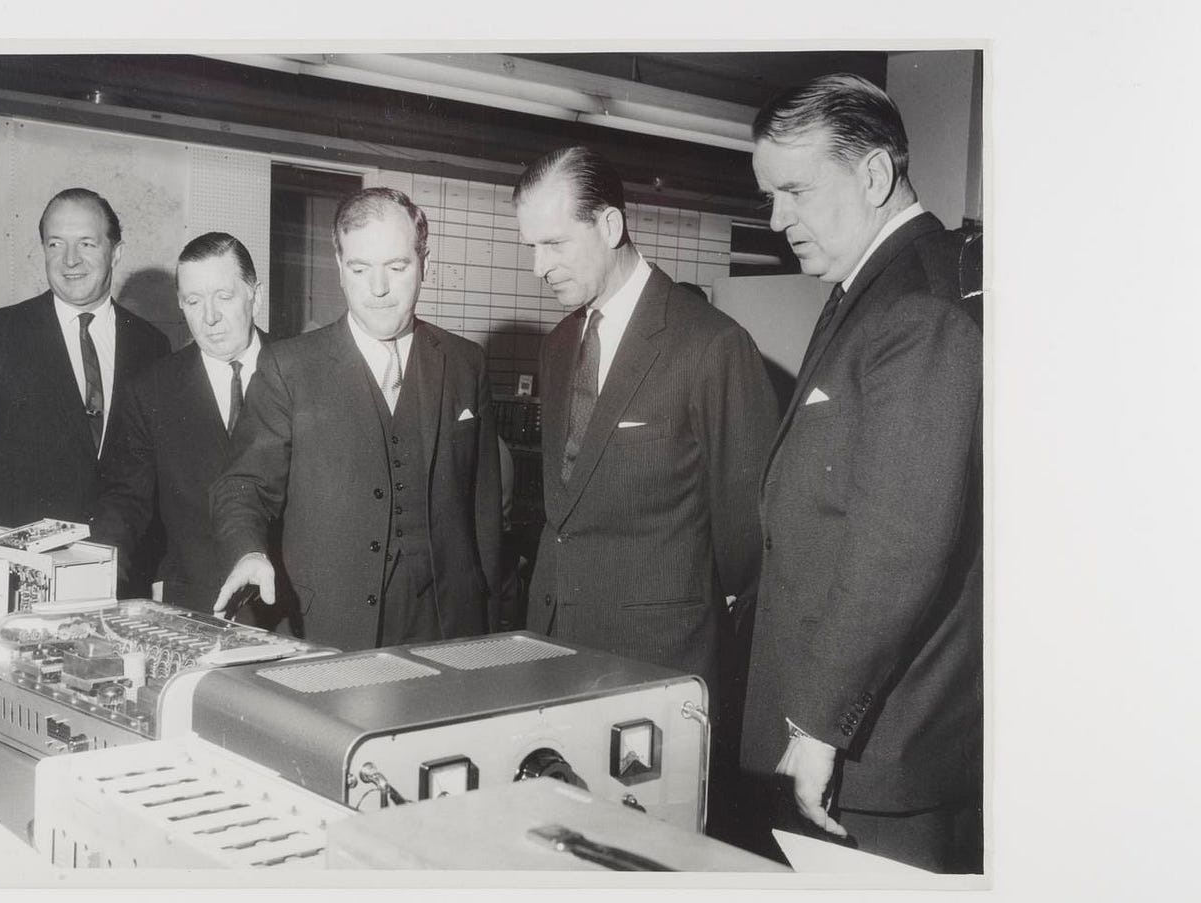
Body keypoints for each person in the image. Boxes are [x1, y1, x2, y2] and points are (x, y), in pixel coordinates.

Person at [739, 74, 983, 872]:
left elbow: (899, 547)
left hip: (875, 756)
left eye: (796, 191)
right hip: (849, 739)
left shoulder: (919, 306)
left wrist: (814, 727)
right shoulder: (868, 292)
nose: (777, 220)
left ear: (874, 175)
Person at [513, 146, 778, 684]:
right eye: (532, 247)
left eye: (555, 244)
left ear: (610, 225)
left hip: (656, 658)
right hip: (551, 639)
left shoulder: (712, 344)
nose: (539, 267)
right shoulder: (561, 343)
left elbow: (748, 538)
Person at [210, 187, 501, 651]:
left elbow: (485, 511)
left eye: (397, 266)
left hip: (448, 625)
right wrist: (248, 550)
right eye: (361, 269)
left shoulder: (466, 363)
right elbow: (242, 485)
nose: (378, 288)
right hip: (329, 625)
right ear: (340, 268)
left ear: (424, 262)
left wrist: (492, 623)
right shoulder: (290, 367)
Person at [0, 187, 169, 528]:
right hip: (20, 565)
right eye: (55, 244)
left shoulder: (152, 345)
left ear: (116, 253)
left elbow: (155, 479)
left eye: (87, 243)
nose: (70, 260)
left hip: (120, 564)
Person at [90, 232, 272, 614]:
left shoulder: (300, 371)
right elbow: (125, 502)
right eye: (193, 301)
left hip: (285, 605)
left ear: (256, 294)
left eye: (224, 297)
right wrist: (93, 576)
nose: (209, 318)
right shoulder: (151, 389)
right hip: (194, 606)